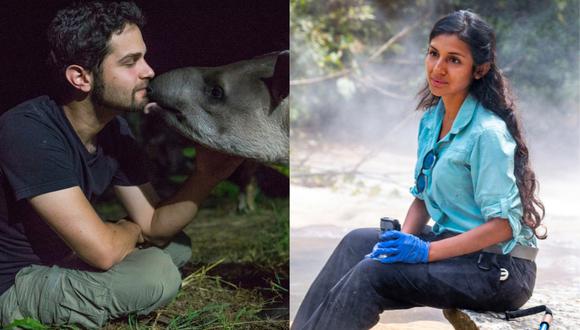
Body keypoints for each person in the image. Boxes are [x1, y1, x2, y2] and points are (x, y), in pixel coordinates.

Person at [292, 10, 545, 330]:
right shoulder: (432, 120)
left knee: (373, 275)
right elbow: (423, 198)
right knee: (357, 243)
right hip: (459, 250)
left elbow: (503, 228)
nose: (438, 68)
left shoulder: (487, 134)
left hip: (501, 270)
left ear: (478, 69)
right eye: (433, 54)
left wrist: (423, 251)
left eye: (454, 60)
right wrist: (401, 242)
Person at [0, 1, 241, 328]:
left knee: (176, 246)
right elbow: (104, 252)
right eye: (130, 62)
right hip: (15, 284)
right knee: (156, 274)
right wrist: (129, 229)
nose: (149, 71)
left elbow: (155, 225)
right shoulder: (28, 130)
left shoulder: (114, 132)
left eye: (143, 57)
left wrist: (206, 174)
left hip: (65, 260)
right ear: (80, 77)